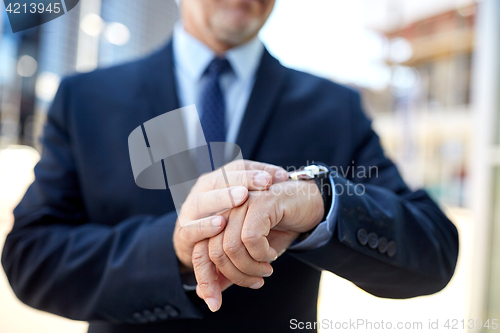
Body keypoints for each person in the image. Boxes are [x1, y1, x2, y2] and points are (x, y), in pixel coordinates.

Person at [1, 0, 459, 332]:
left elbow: (434, 250)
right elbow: (32, 257)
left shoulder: (333, 108)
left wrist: (320, 201)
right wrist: (173, 250)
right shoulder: (86, 99)